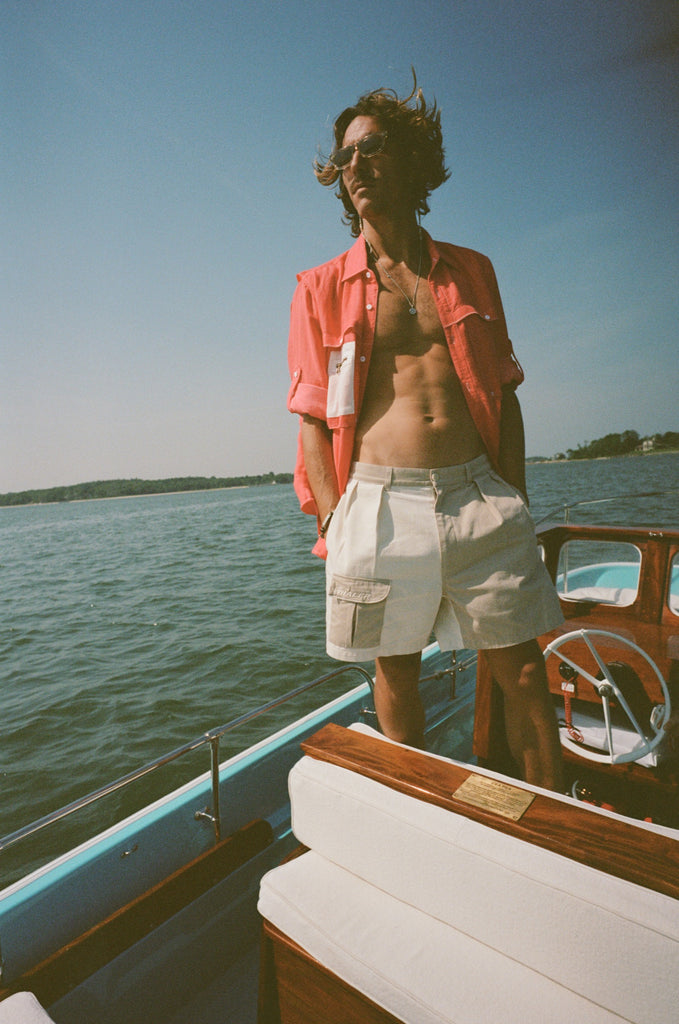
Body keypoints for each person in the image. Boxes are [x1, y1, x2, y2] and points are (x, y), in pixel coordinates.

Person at [287, 77, 565, 790]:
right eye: (344, 158)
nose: (355, 167)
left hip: (478, 491)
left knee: (525, 672)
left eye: (372, 149)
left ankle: (549, 822)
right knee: (396, 671)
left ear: (412, 160)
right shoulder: (318, 288)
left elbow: (502, 387)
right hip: (376, 501)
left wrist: (513, 497)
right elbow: (313, 418)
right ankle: (422, 811)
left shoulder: (472, 271)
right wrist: (336, 518)